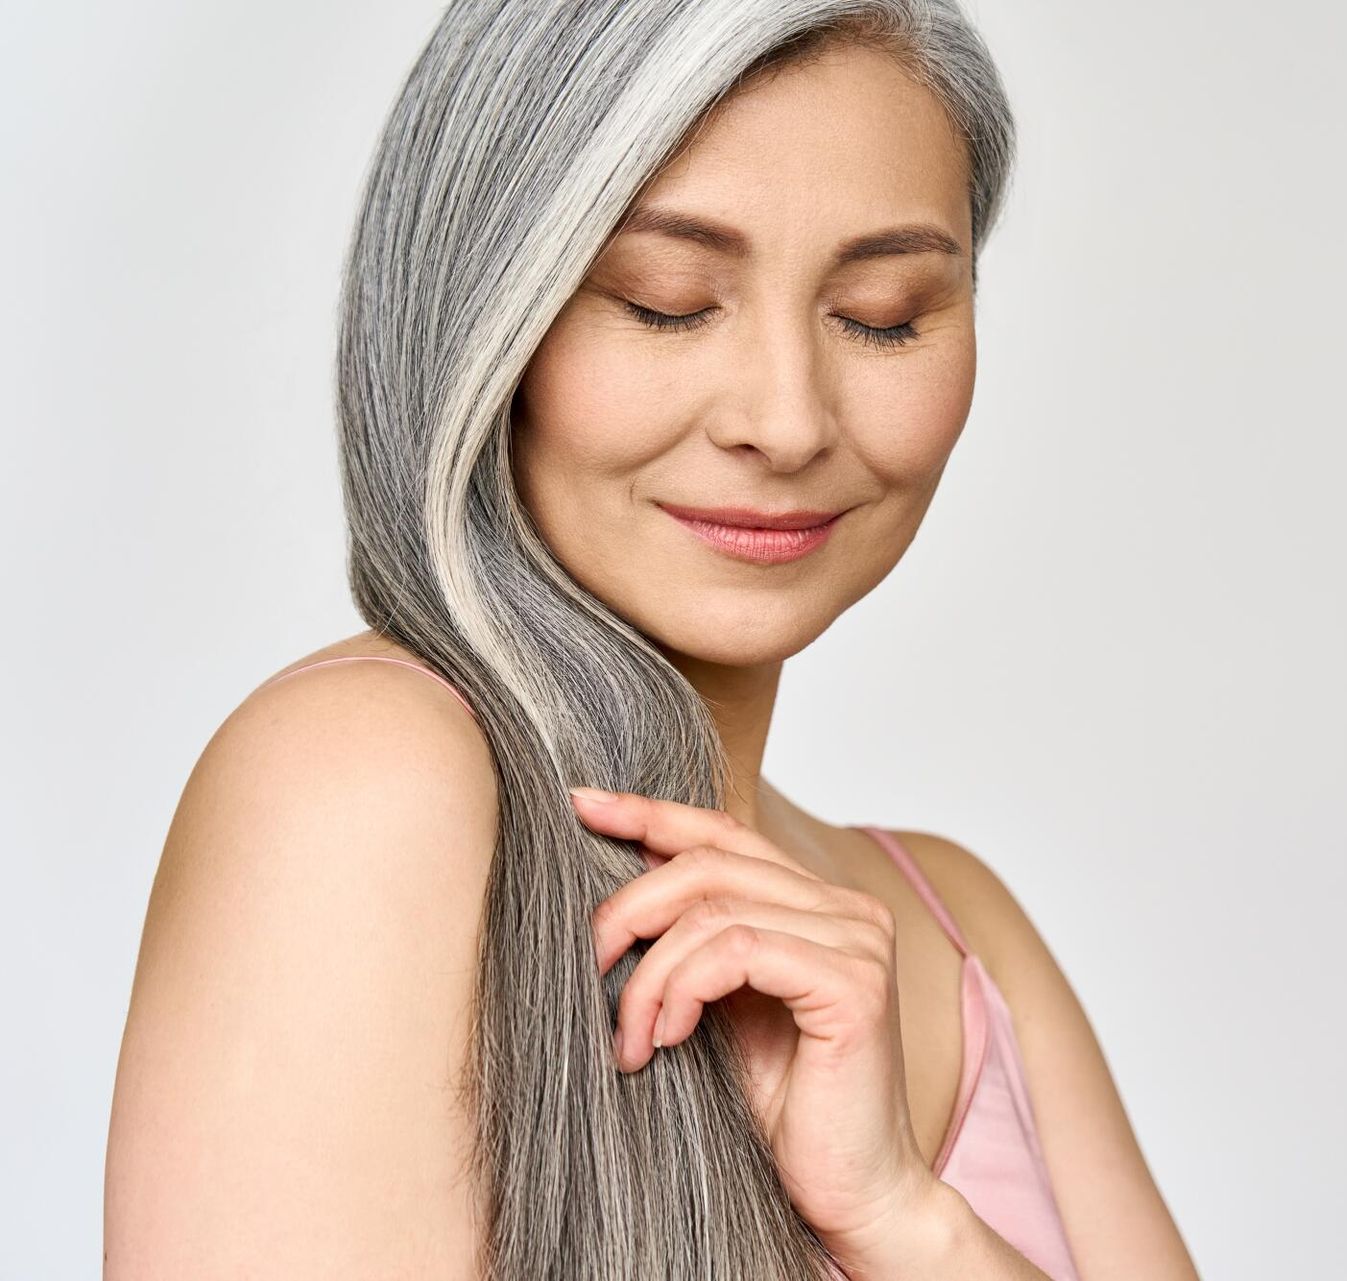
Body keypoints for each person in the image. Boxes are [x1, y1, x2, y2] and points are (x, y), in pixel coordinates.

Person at [105, 3, 1199, 1278]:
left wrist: (908, 1220)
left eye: (883, 313)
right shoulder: (358, 783)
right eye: (668, 302)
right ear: (487, 313)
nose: (787, 422)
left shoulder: (955, 931)